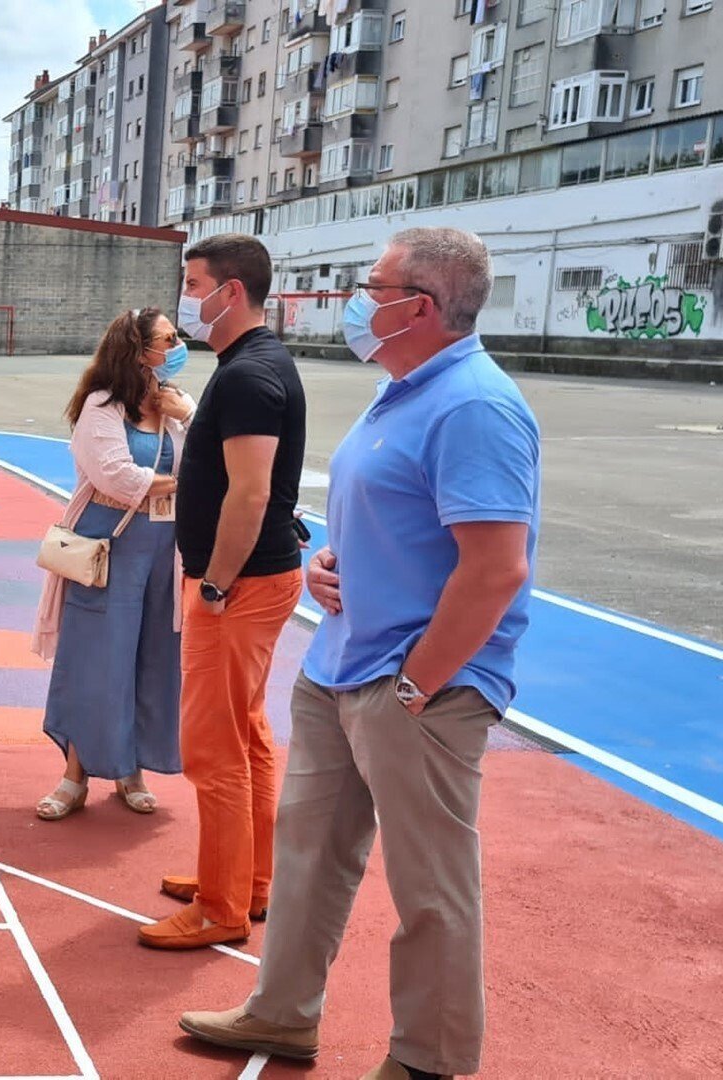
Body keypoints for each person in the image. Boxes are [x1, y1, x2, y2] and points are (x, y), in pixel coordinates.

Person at [181, 228, 539, 1080]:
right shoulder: (402, 391)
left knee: (430, 886)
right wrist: (332, 564)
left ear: (419, 306)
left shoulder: (474, 406)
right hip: (341, 666)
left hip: (414, 686)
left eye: (371, 286)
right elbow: (399, 519)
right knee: (309, 857)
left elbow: (496, 568)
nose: (355, 300)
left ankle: (427, 1060)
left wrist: (418, 684)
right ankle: (281, 1011)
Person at [140, 233, 307, 951]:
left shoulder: (248, 375)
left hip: (238, 586)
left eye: (193, 283)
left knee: (215, 748)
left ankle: (221, 908)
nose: (185, 299)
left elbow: (250, 493)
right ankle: (246, 881)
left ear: (230, 291)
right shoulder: (248, 364)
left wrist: (214, 582)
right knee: (246, 734)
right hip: (254, 580)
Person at [32, 308, 194, 820]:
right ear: (139, 349)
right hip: (108, 548)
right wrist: (184, 482)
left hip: (165, 551)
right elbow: (115, 476)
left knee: (153, 658)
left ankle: (131, 770)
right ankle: (74, 776)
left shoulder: (177, 405)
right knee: (96, 660)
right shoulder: (101, 406)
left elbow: (212, 457)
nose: (178, 346)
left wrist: (189, 415)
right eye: (168, 338)